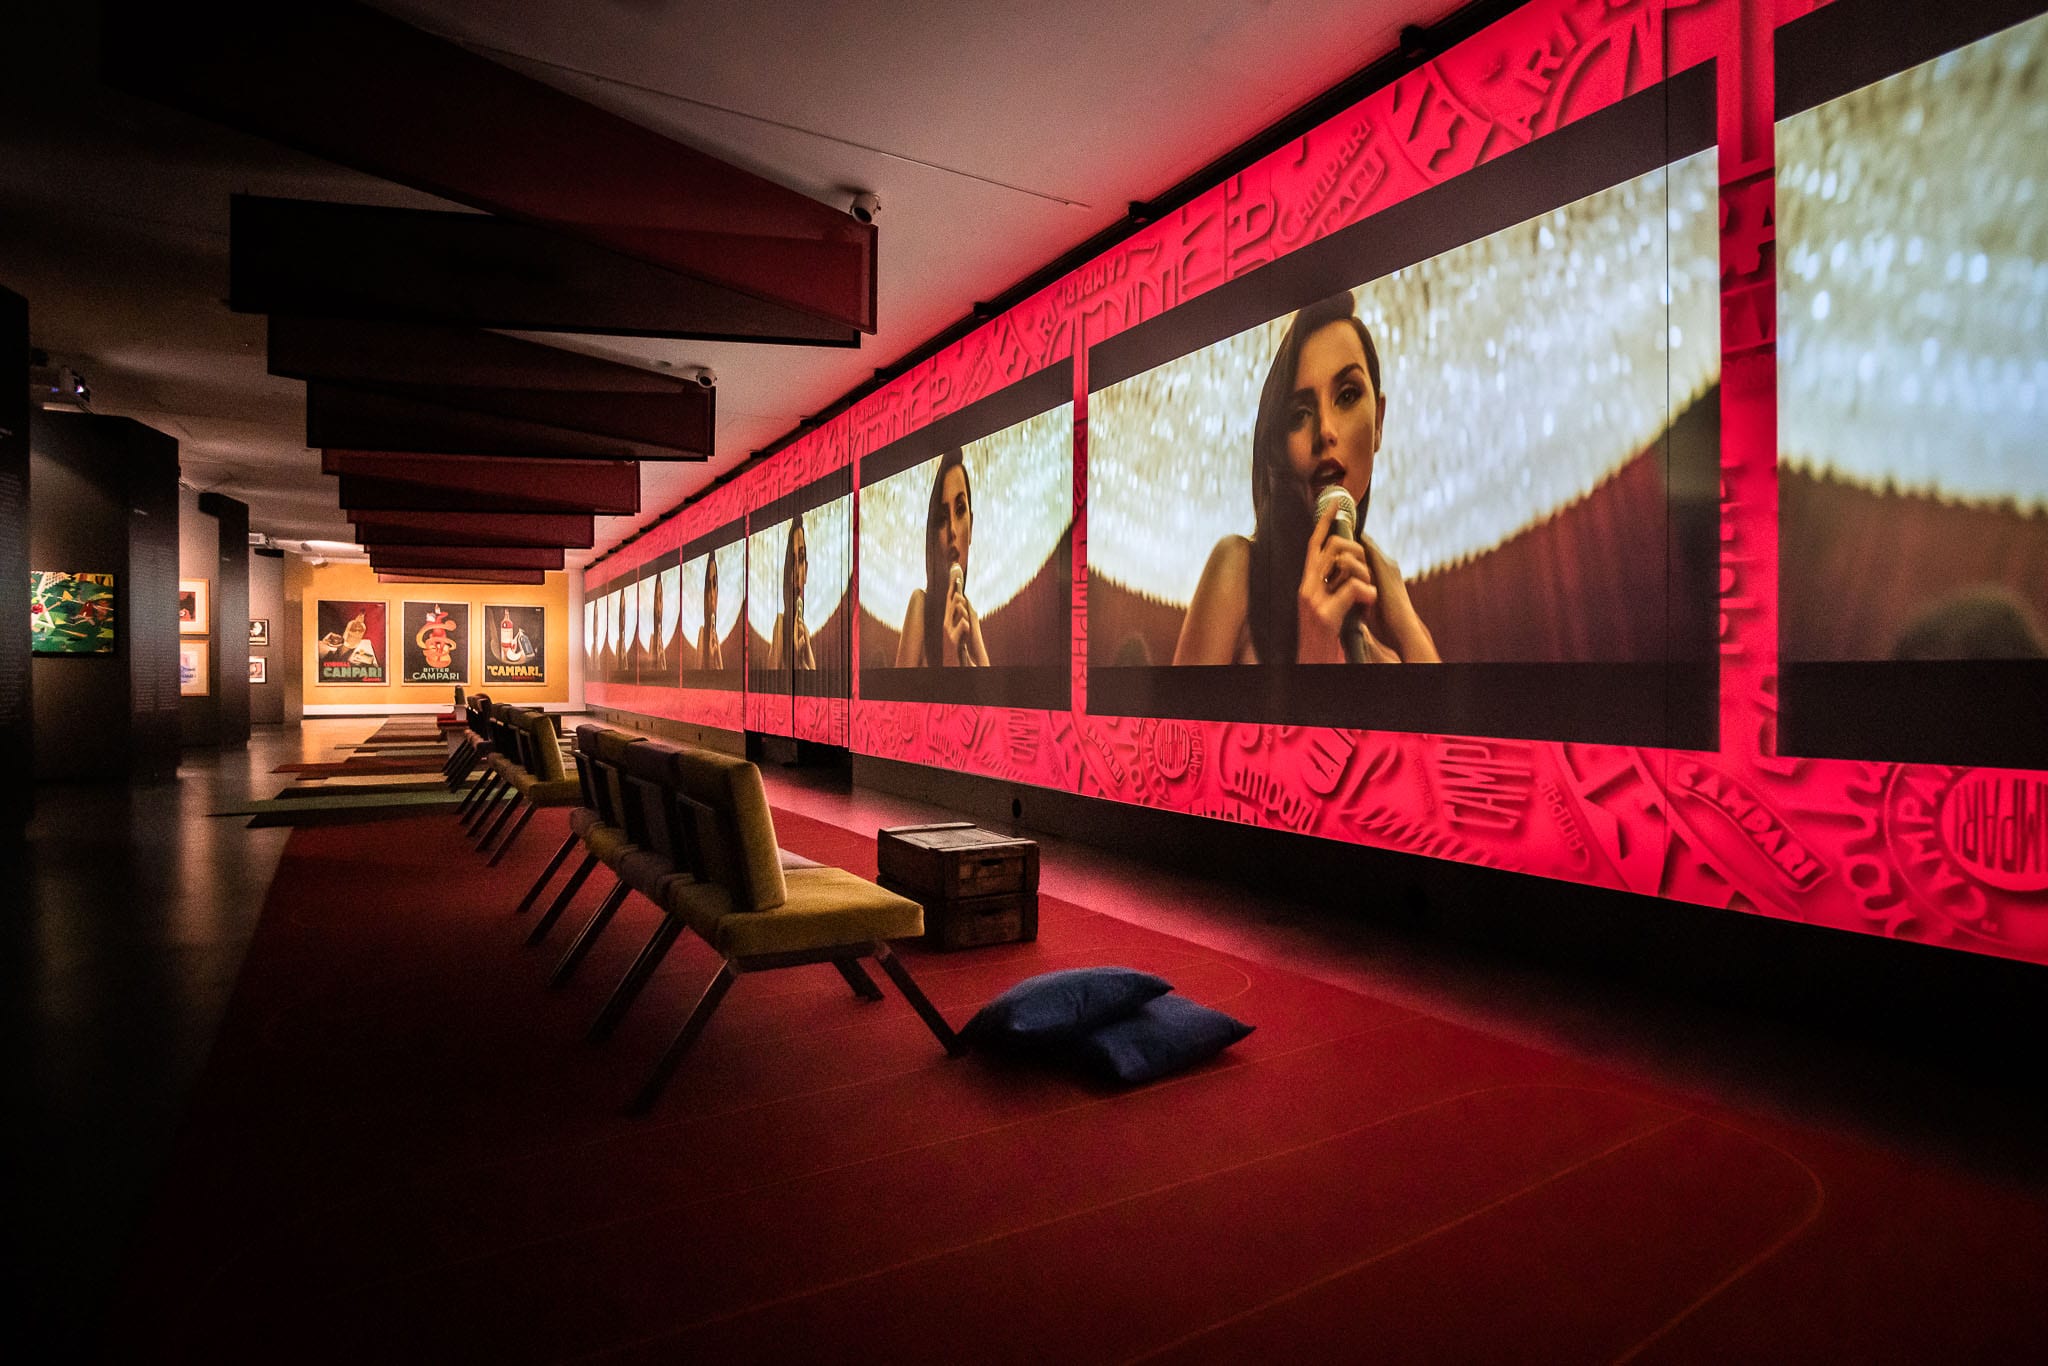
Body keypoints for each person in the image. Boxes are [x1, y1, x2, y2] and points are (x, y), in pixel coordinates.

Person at [1173, 291, 1437, 667]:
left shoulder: (1389, 642)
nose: (1325, 431)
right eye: (1299, 414)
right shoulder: (1237, 570)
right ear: (1279, 443)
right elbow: (1178, 710)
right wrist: (1315, 646)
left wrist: (1406, 623)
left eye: (1347, 395)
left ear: (1378, 422)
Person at [895, 449, 990, 667]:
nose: (952, 531)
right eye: (942, 518)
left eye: (960, 510)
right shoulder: (920, 606)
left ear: (971, 527)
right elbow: (897, 690)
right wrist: (949, 657)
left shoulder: (971, 619)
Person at [771, 516, 818, 670]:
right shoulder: (780, 625)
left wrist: (803, 655)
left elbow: (813, 679)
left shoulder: (805, 633)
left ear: (807, 570)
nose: (797, 571)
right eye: (792, 561)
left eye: (801, 558)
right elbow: (772, 679)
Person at [698, 554, 724, 670]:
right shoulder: (702, 634)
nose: (712, 594)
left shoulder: (717, 636)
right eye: (709, 586)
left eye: (714, 584)